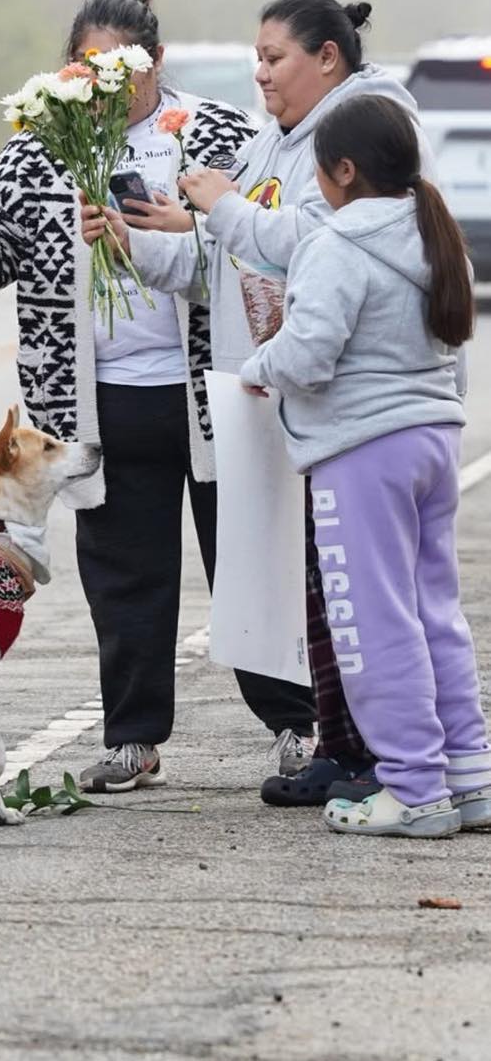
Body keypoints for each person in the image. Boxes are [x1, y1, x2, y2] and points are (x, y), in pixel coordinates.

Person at [0, 0, 316, 793]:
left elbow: (266, 243)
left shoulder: (219, 132)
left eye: (120, 67)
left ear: (156, 60)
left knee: (250, 560)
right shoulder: (40, 146)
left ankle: (297, 724)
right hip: (98, 399)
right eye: (87, 69)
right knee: (124, 576)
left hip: (215, 389)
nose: (103, 84)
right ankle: (133, 737)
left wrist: (187, 228)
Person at [83, 0, 436, 804]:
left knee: (352, 595)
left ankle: (388, 762)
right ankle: (347, 750)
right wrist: (137, 242)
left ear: (327, 58)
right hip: (285, 402)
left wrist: (224, 208)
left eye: (275, 58)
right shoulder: (277, 140)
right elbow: (223, 263)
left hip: (347, 407)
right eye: (257, 59)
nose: (262, 74)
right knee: (306, 585)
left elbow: (314, 247)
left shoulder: (363, 134)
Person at [239, 93, 488, 838]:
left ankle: (412, 787)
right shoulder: (434, 234)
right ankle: (470, 774)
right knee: (434, 613)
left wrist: (259, 366)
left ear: (343, 171)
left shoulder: (337, 242)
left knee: (372, 623)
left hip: (363, 451)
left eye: (319, 168)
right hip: (432, 440)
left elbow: (309, 355)